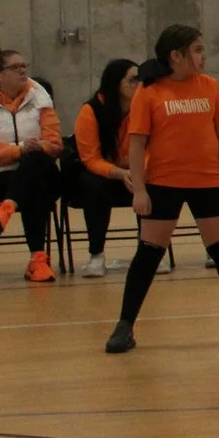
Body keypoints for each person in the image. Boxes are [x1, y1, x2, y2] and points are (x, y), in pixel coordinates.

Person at [105, 23, 219, 354]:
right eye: (197, 50)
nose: (203, 56)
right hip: (163, 183)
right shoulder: (150, 92)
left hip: (207, 181)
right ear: (176, 56)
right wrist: (139, 190)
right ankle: (125, 325)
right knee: (148, 254)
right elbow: (137, 145)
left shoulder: (210, 86)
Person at [0, 44, 65, 283]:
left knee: (37, 160)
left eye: (24, 66)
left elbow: (55, 143)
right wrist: (19, 150)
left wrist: (36, 148)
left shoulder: (40, 97)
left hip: (42, 171)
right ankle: (38, 261)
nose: (23, 71)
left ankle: (7, 209)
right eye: (15, 67)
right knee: (34, 186)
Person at [71, 58, 142, 278]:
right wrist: (121, 173)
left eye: (141, 79)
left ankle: (150, 252)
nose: (138, 84)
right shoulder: (90, 111)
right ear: (115, 84)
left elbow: (154, 149)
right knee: (94, 185)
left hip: (134, 172)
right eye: (132, 80)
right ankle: (96, 255)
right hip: (103, 174)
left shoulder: (144, 107)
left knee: (156, 180)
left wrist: (139, 171)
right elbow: (90, 159)